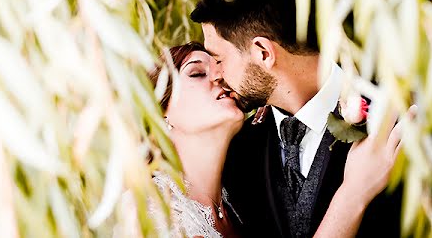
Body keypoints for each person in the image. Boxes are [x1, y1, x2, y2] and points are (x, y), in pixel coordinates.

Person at [190, 0, 405, 237]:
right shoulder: (238, 156)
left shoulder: (393, 119)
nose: (217, 75)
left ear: (263, 53)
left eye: (219, 59)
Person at [134, 41, 403, 238]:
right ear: (159, 114)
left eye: (220, 66)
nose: (219, 76)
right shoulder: (148, 212)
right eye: (196, 73)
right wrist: (354, 193)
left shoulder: (241, 195)